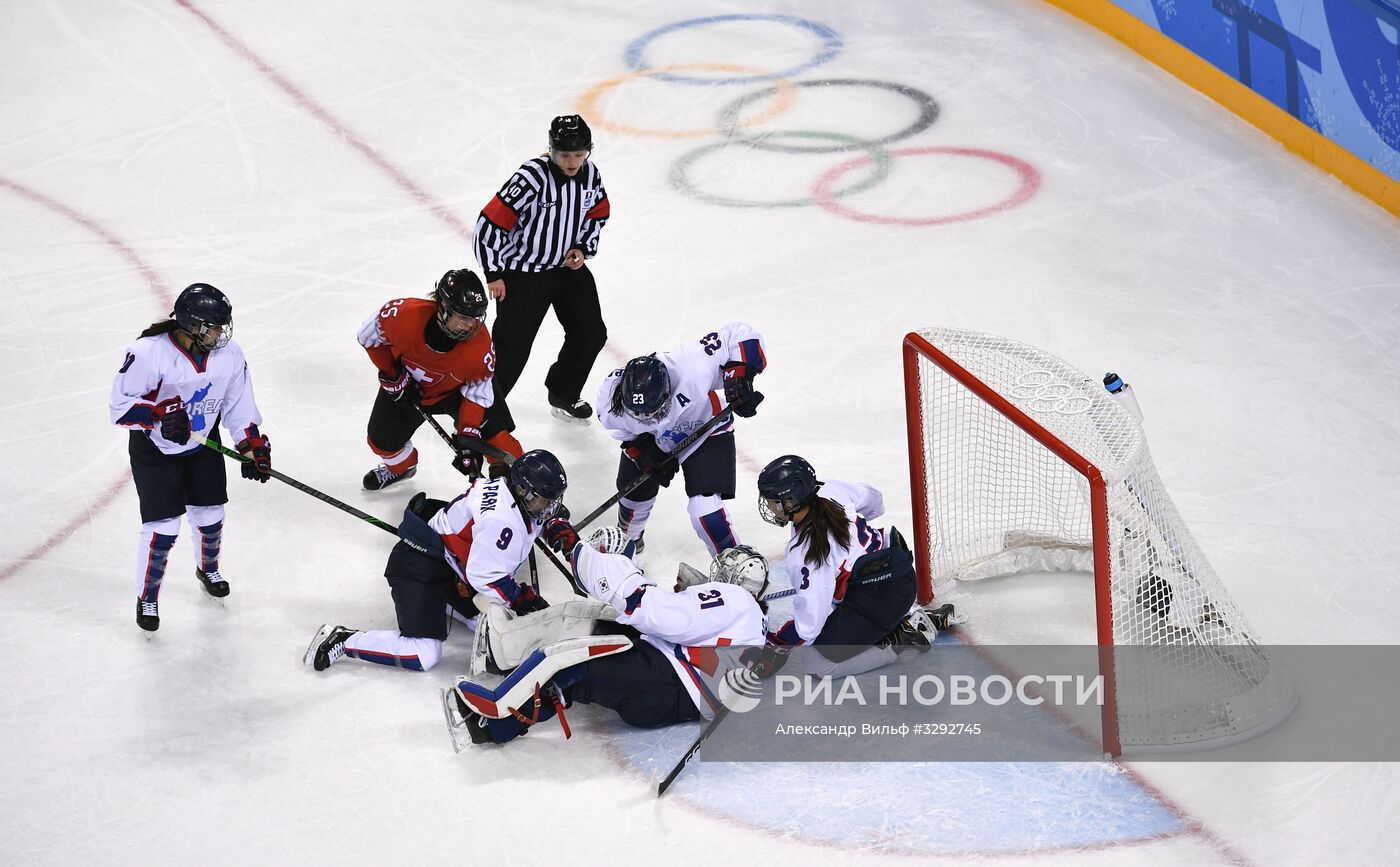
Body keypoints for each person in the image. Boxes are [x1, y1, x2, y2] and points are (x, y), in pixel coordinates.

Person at [443, 530, 768, 748]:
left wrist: (621, 573)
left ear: (733, 577)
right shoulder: (751, 620)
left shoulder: (734, 599)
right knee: (592, 620)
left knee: (572, 667)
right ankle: (507, 659)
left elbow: (662, 615)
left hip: (670, 687)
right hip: (672, 679)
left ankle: (492, 723)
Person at [303, 449, 579, 673]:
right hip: (419, 564)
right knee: (423, 653)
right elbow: (485, 576)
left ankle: (444, 603)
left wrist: (554, 525)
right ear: (523, 490)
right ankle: (342, 639)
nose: (549, 508)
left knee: (488, 621)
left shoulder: (512, 494)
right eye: (545, 501)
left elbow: (531, 519)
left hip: (450, 567)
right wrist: (520, 598)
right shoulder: (501, 521)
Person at [109, 283, 271, 632]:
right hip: (156, 452)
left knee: (211, 516)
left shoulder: (230, 355)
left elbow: (238, 404)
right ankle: (147, 596)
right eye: (212, 327)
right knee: (163, 529)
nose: (219, 333)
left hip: (202, 446)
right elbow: (119, 408)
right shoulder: (149, 353)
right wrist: (157, 415)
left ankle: (208, 568)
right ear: (191, 325)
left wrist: (252, 445)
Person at [755, 455, 955, 679]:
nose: (770, 506)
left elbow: (809, 626)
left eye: (772, 500)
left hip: (883, 599)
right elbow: (875, 501)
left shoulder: (804, 552)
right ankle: (905, 615)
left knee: (817, 663)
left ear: (790, 502)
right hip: (903, 574)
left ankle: (902, 636)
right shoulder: (830, 490)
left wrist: (776, 643)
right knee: (846, 594)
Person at [473, 114, 610, 428]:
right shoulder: (531, 177)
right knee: (511, 351)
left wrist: (582, 246)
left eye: (579, 154)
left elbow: (598, 212)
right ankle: (479, 413)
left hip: (566, 271)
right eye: (564, 154)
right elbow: (489, 223)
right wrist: (494, 272)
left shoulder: (590, 175)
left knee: (590, 333)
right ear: (551, 150)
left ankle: (563, 393)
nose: (573, 161)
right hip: (523, 275)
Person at [596, 322, 767, 558]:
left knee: (704, 510)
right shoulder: (609, 406)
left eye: (656, 411)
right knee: (632, 498)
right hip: (655, 441)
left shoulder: (691, 366)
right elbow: (628, 437)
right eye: (641, 416)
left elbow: (741, 335)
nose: (652, 419)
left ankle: (733, 562)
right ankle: (628, 543)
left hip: (705, 428)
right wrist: (642, 450)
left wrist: (739, 376)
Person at [356, 268, 522, 491]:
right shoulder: (403, 316)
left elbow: (478, 392)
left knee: (502, 445)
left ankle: (522, 492)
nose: (471, 325)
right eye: (464, 317)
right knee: (381, 442)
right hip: (411, 388)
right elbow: (368, 336)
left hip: (459, 393)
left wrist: (468, 437)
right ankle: (401, 468)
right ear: (443, 307)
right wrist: (392, 375)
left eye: (475, 318)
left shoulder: (480, 347)